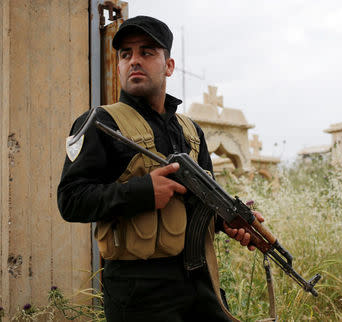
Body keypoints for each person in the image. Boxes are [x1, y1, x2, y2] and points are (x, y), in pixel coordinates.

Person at [57, 16, 262, 322]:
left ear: (168, 65)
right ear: (119, 66)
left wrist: (228, 219)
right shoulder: (100, 123)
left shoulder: (190, 130)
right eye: (126, 54)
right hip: (139, 292)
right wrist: (141, 192)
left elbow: (203, 202)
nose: (134, 61)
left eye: (147, 52)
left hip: (203, 283)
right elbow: (70, 200)